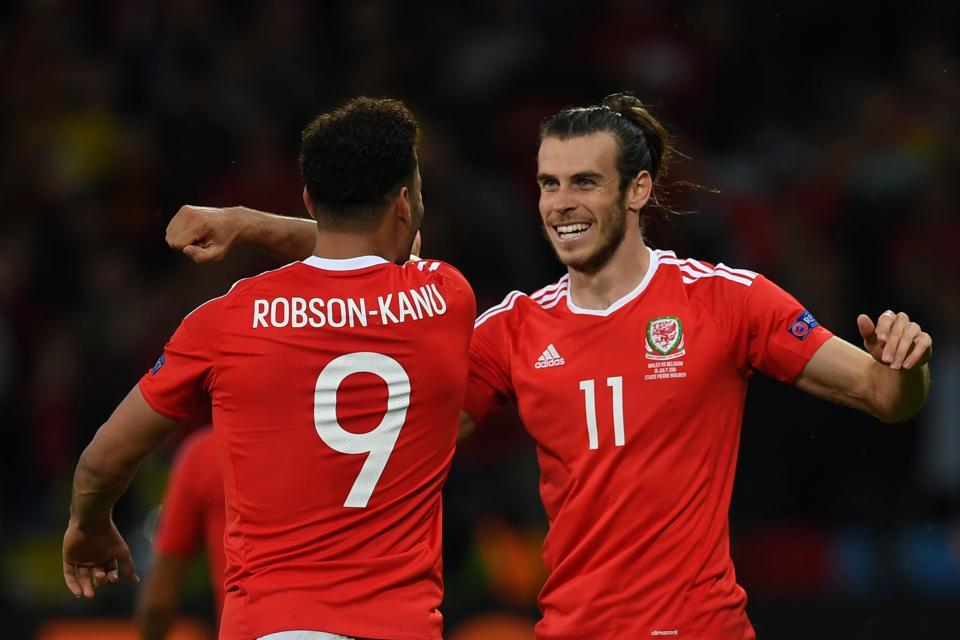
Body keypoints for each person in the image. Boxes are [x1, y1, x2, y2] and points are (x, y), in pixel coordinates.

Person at [164, 93, 933, 640]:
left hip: (699, 628)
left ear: (637, 191)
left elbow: (883, 395)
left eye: (584, 182)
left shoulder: (727, 302)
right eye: (548, 183)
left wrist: (906, 366)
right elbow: (366, 253)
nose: (561, 203)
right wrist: (244, 223)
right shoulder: (511, 330)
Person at [62, 97, 476, 640]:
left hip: (270, 626)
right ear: (405, 202)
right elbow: (385, 254)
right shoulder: (444, 298)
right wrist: (249, 224)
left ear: (307, 198)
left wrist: (88, 527)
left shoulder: (225, 321)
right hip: (397, 627)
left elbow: (101, 461)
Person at [136, 427, 226, 640]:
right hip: (319, 622)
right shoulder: (319, 447)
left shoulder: (205, 454)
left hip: (249, 628)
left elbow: (157, 603)